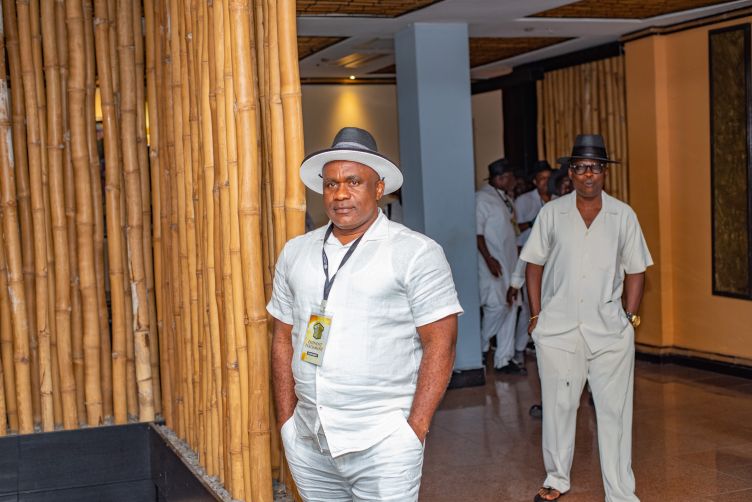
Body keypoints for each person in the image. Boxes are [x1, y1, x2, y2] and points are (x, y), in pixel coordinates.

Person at [268, 127, 463, 502]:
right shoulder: (295, 252)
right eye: (331, 184)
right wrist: (287, 423)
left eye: (353, 182)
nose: (340, 194)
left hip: (384, 442)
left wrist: (415, 429)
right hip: (309, 439)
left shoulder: (416, 252)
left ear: (379, 188)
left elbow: (442, 341)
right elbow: (281, 337)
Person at [521, 134, 652, 502]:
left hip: (610, 331)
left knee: (615, 413)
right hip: (558, 331)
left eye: (595, 167)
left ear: (604, 172)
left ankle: (620, 491)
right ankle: (556, 478)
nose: (588, 174)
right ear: (571, 172)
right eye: (580, 168)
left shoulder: (623, 215)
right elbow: (533, 264)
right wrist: (536, 315)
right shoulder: (552, 213)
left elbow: (636, 269)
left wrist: (630, 318)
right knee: (558, 408)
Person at [476, 158, 524, 374]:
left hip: (510, 264)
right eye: (511, 177)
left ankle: (504, 359)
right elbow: (477, 233)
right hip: (492, 264)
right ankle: (480, 346)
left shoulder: (506, 199)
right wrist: (489, 259)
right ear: (501, 178)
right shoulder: (482, 198)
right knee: (497, 306)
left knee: (511, 307)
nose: (515, 181)